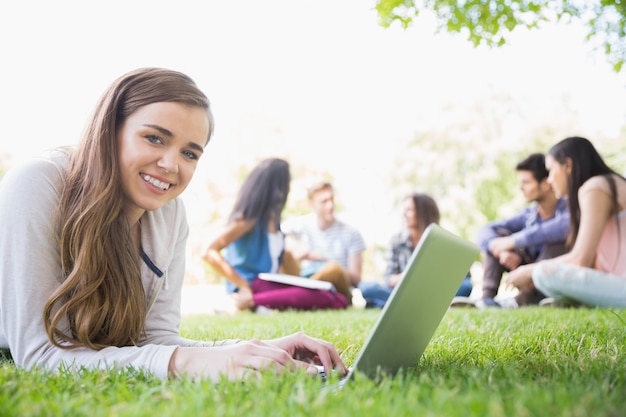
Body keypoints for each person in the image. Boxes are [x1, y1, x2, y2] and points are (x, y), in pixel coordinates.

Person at [0, 68, 347, 381]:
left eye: (190, 153)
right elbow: (40, 354)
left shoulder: (170, 214)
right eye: (154, 138)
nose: (171, 165)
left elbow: (158, 342)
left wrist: (258, 350)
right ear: (109, 130)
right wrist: (182, 362)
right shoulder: (38, 183)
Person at [202, 159, 349, 312]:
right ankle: (249, 301)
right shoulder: (249, 221)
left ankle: (255, 302)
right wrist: (243, 285)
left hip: (270, 283)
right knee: (325, 298)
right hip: (255, 284)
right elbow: (208, 251)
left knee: (335, 298)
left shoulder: (275, 223)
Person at [506, 137, 626, 308]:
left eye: (551, 170)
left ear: (568, 166)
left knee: (543, 273)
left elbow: (580, 259)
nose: (549, 180)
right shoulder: (611, 182)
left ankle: (573, 300)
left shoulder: (595, 187)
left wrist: (528, 271)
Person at [474, 153, 570, 308]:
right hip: (526, 268)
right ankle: (486, 300)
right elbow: (484, 230)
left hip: (551, 272)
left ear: (545, 184)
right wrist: (500, 249)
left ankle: (520, 301)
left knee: (557, 243)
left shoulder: (570, 208)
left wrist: (514, 241)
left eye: (526, 182)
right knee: (497, 237)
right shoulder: (528, 215)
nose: (520, 187)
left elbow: (559, 229)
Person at [357, 192, 473, 308]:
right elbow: (389, 278)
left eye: (409, 210)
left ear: (423, 213)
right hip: (404, 293)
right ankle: (426, 305)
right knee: (366, 287)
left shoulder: (445, 241)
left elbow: (463, 276)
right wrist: (411, 276)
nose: (404, 214)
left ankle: (403, 305)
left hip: (435, 292)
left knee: (466, 286)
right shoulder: (397, 240)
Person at [281, 180, 367, 303]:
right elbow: (276, 234)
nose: (330, 205)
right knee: (285, 254)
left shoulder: (351, 232)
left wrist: (325, 261)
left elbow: (356, 278)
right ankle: (303, 293)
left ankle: (300, 294)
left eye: (331, 199)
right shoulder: (303, 224)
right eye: (324, 201)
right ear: (311, 204)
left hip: (336, 289)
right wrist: (295, 247)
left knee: (334, 269)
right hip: (305, 277)